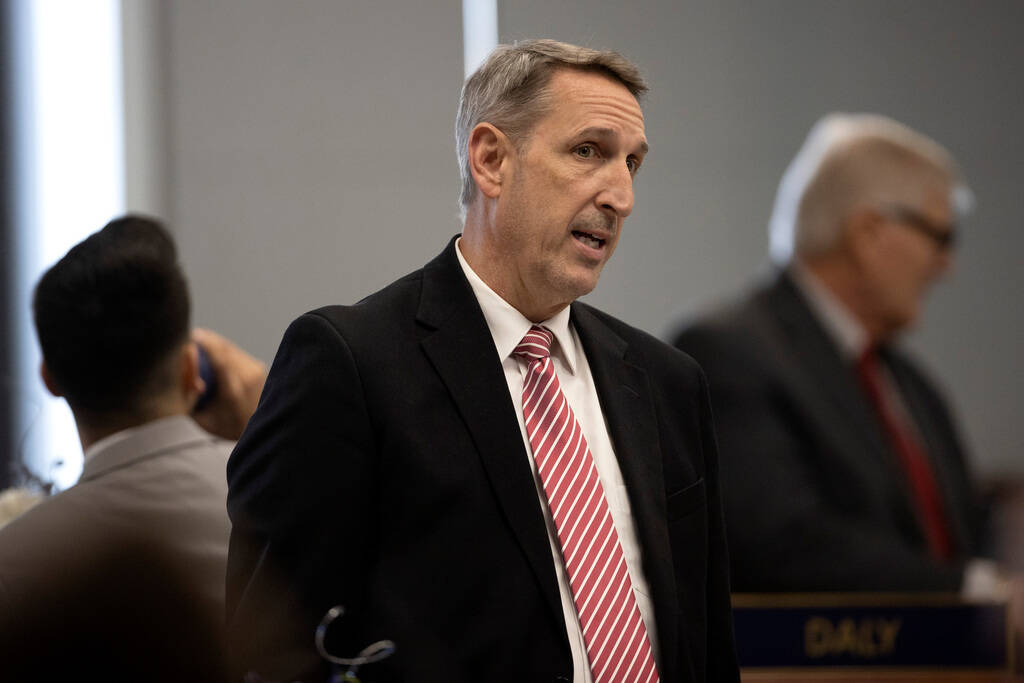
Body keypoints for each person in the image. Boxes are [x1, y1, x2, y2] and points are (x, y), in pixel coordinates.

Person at [227, 39, 739, 682]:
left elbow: (709, 644)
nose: (622, 196)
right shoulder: (350, 364)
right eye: (589, 152)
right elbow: (271, 651)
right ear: (492, 159)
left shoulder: (668, 383)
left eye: (632, 163)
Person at [672, 113, 989, 593]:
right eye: (939, 237)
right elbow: (780, 542)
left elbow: (964, 529)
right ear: (869, 232)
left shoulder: (907, 381)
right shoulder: (725, 353)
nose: (945, 266)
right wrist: (969, 590)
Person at [0, 215, 267, 681]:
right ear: (190, 369)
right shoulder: (279, 500)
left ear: (50, 379)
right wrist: (268, 431)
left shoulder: (15, 561)